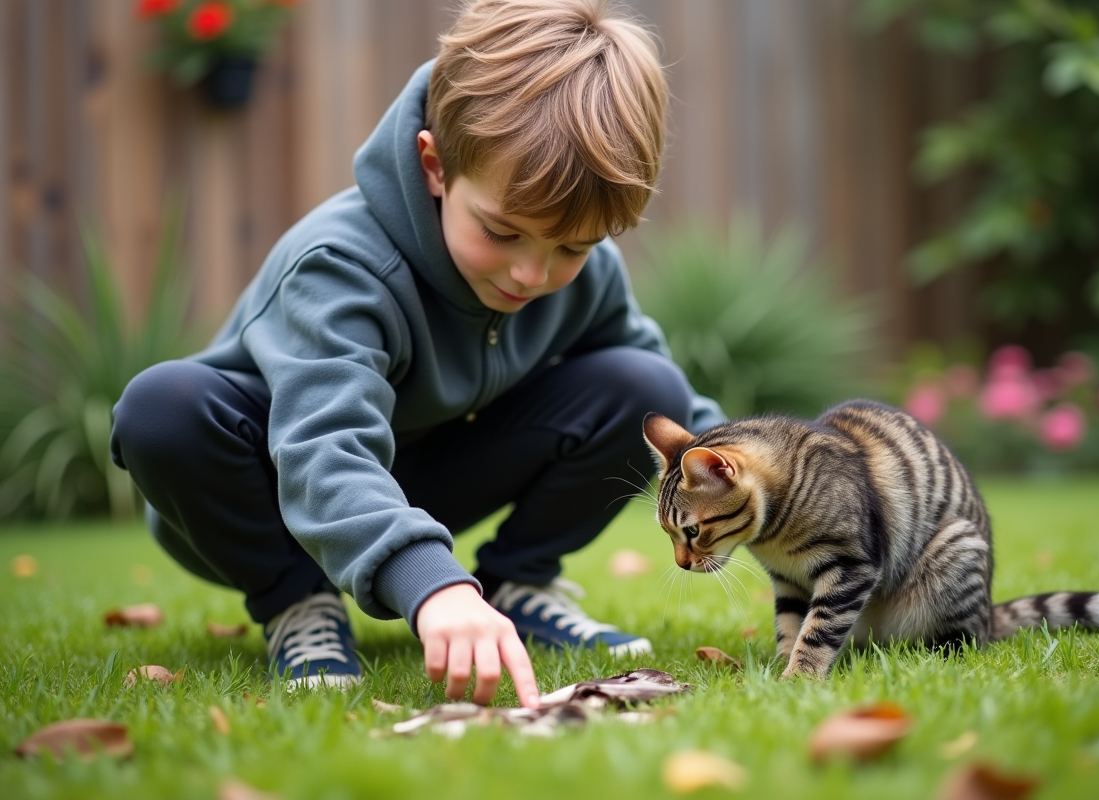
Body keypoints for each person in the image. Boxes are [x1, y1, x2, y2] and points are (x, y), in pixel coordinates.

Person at [110, 0, 722, 708]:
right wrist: (431, 584)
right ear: (436, 165)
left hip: (423, 475)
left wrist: (773, 486)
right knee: (162, 408)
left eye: (572, 247)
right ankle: (295, 600)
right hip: (277, 486)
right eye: (502, 232)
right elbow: (325, 445)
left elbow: (682, 416)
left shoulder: (584, 275)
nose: (532, 273)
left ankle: (516, 586)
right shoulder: (341, 267)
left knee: (648, 386)